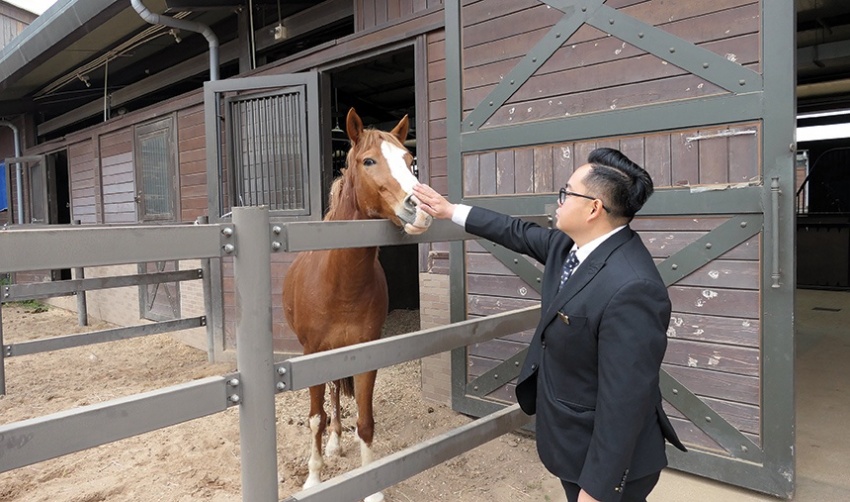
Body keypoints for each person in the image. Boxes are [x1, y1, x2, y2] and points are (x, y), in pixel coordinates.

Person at [413, 147, 686, 502]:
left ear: (593, 208)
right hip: (573, 442)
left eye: (566, 192)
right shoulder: (571, 246)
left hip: (607, 463)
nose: (558, 200)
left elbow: (625, 403)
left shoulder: (633, 288)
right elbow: (516, 232)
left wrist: (597, 489)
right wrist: (451, 211)